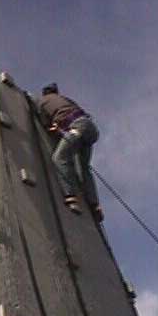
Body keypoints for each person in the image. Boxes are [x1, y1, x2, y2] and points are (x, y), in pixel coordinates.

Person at [37, 83, 104, 222]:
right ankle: (95, 204)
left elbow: (44, 122)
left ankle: (70, 196)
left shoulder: (43, 101)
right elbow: (74, 113)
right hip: (90, 129)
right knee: (83, 168)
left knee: (59, 158)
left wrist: (52, 127)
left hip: (76, 128)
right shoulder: (66, 100)